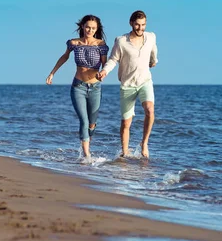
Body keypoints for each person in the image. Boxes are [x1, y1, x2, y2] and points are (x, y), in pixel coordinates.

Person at [46, 15, 109, 162]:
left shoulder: (101, 44)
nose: (90, 30)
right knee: (84, 121)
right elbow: (64, 57)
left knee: (92, 122)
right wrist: (52, 73)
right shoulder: (74, 43)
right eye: (88, 27)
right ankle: (87, 155)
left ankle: (86, 143)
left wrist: (103, 73)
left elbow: (106, 64)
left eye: (93, 28)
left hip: (95, 87)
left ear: (97, 29)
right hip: (78, 87)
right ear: (82, 26)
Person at [97, 10, 158, 159]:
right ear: (131, 23)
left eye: (143, 25)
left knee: (149, 110)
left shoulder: (151, 37)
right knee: (126, 122)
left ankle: (144, 143)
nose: (140, 28)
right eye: (137, 24)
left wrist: (154, 60)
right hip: (128, 85)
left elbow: (153, 50)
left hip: (145, 81)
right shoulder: (121, 41)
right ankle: (125, 152)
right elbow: (113, 59)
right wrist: (104, 71)